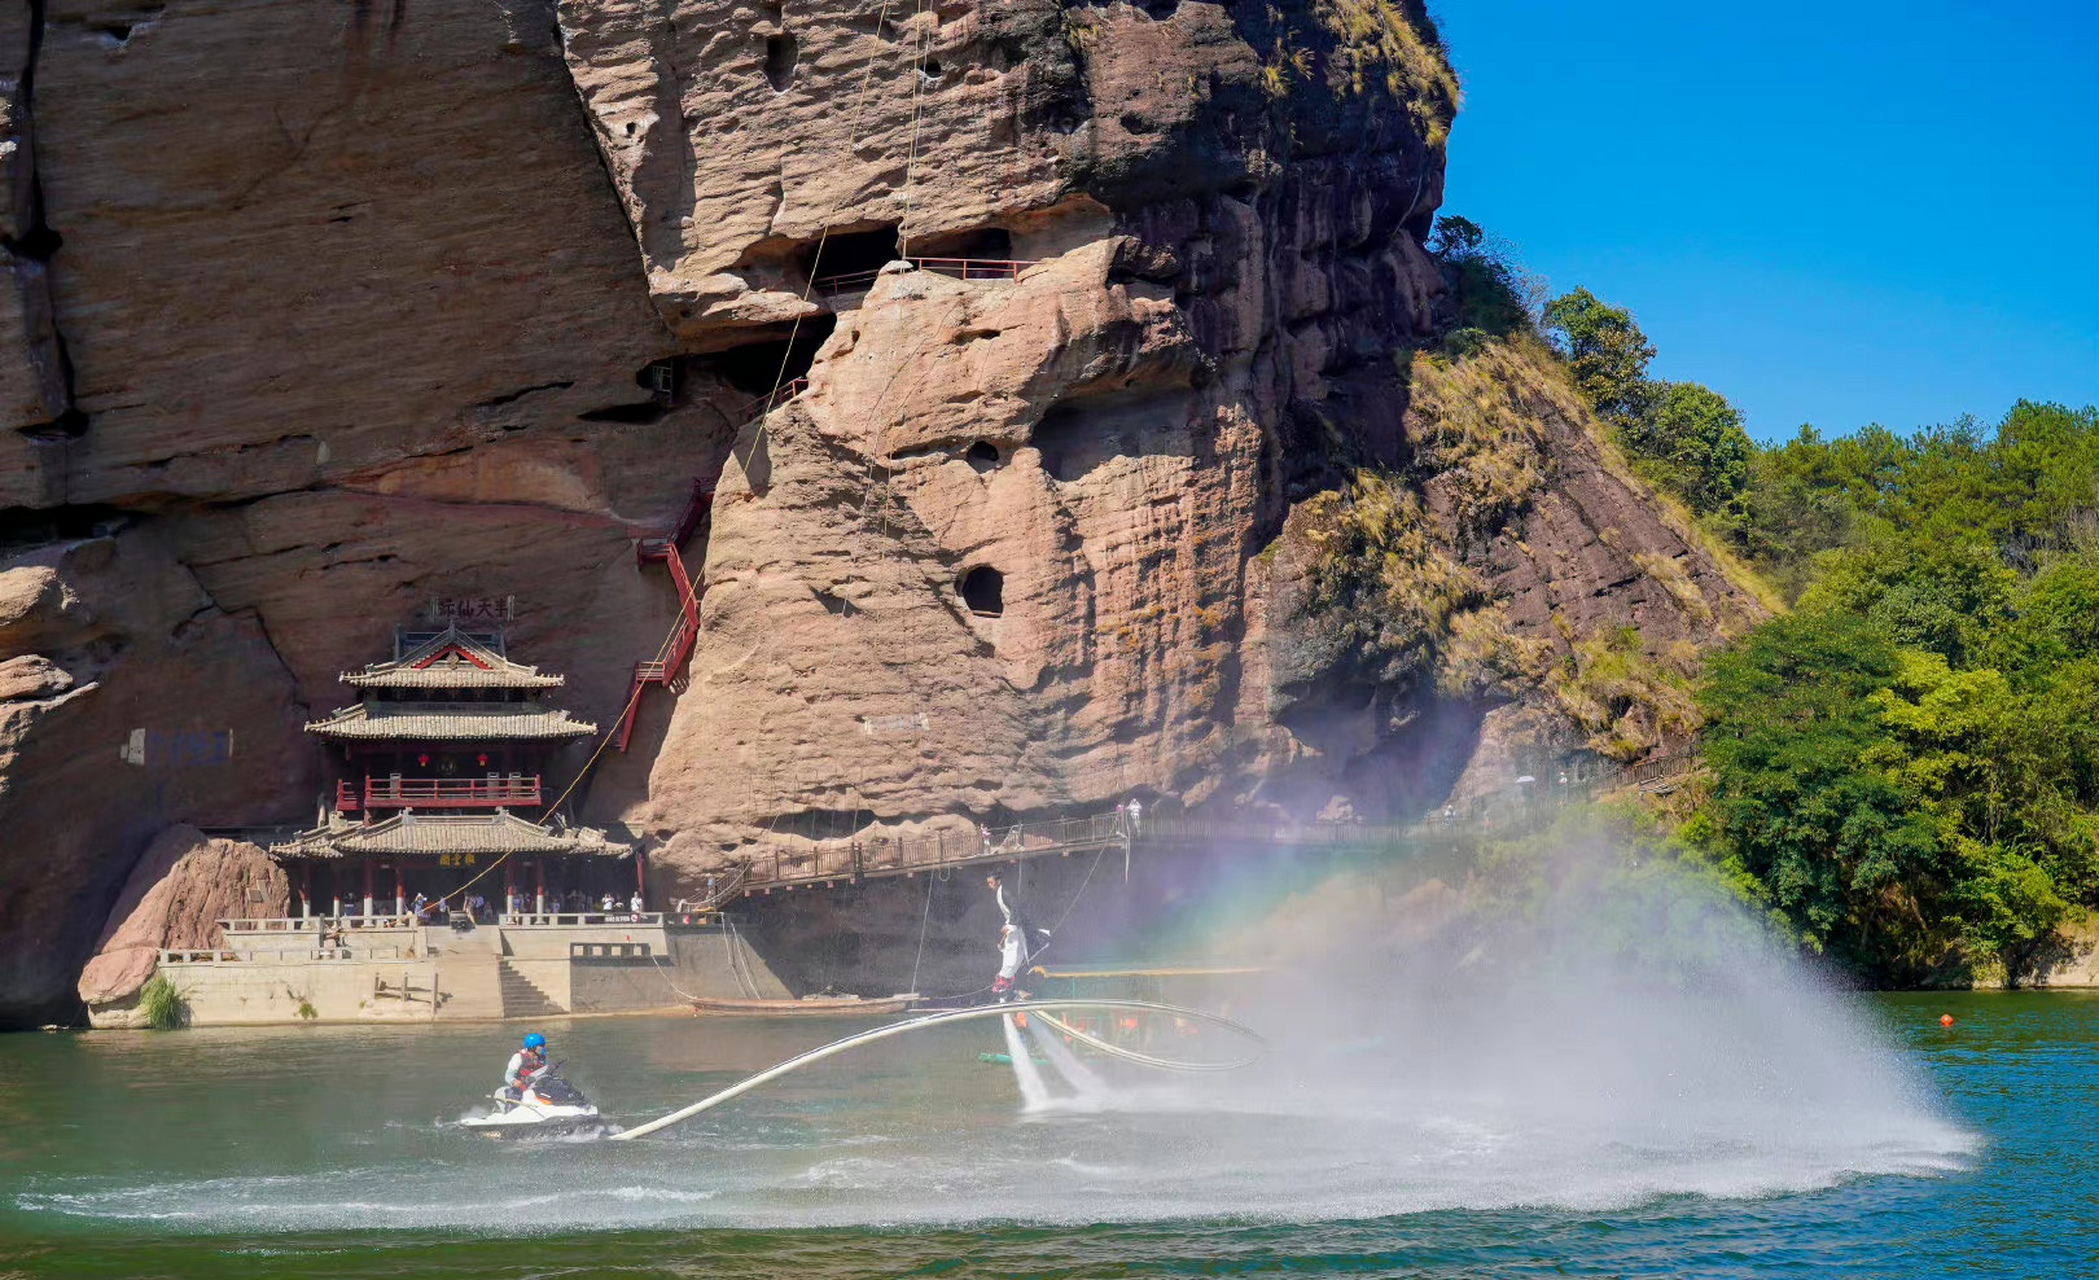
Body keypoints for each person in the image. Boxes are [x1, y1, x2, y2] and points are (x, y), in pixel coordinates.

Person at [985, 870, 1050, 960]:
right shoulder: (999, 892)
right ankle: (1010, 971)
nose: (990, 885)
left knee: (1018, 946)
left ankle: (1008, 972)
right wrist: (1008, 924)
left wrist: (1010, 925)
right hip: (1014, 923)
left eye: (991, 883)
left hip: (1018, 922)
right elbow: (1009, 911)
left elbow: (1015, 907)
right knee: (1017, 948)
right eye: (988, 883)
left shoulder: (1005, 892)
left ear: (998, 882)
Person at [502, 1032, 548, 1100]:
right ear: (532, 1047)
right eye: (541, 1045)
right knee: (513, 1096)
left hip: (536, 1088)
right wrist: (514, 1082)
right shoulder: (518, 1057)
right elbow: (508, 1076)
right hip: (520, 1089)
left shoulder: (542, 1058)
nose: (543, 1047)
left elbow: (546, 1072)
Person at [991, 925, 1026, 1003]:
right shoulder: (1010, 942)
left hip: (1008, 971)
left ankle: (1009, 996)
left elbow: (1011, 952)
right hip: (1007, 973)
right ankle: (1008, 996)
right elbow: (1008, 953)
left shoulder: (1013, 939)